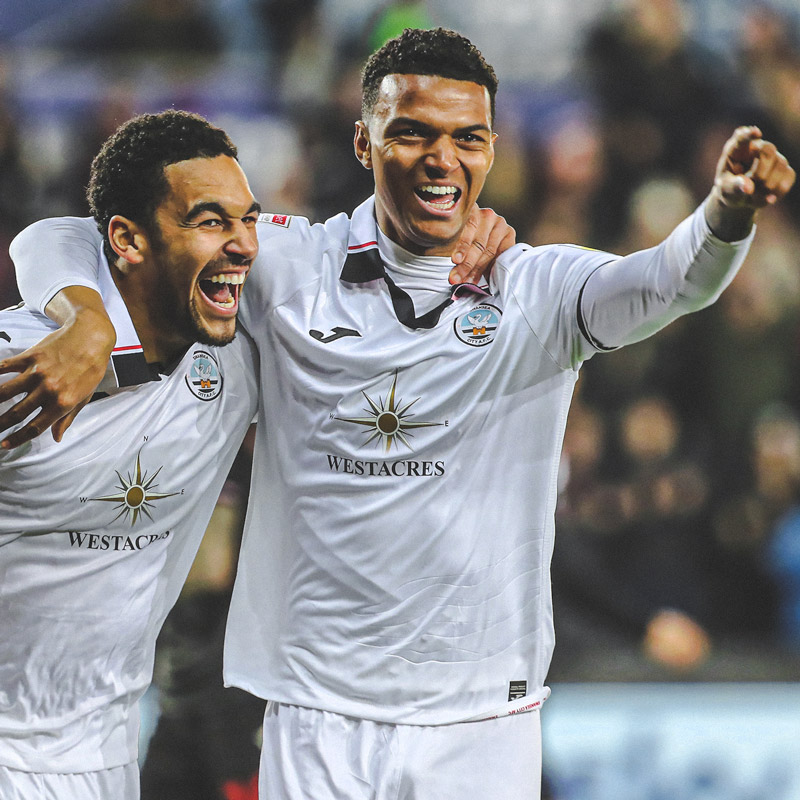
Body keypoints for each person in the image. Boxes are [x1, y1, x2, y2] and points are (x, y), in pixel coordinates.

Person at [2, 27, 795, 800]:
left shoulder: (536, 289)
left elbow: (666, 284)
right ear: (363, 143)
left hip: (482, 718)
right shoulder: (288, 267)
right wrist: (86, 321)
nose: (442, 158)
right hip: (316, 714)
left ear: (490, 149)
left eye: (468, 138)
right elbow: (70, 235)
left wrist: (725, 212)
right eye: (413, 133)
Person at [0, 109, 263, 799]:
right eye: (210, 221)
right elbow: (57, 235)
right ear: (126, 239)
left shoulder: (238, 359)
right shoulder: (24, 369)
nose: (241, 244)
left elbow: (49, 236)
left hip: (107, 761)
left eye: (248, 219)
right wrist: (84, 318)